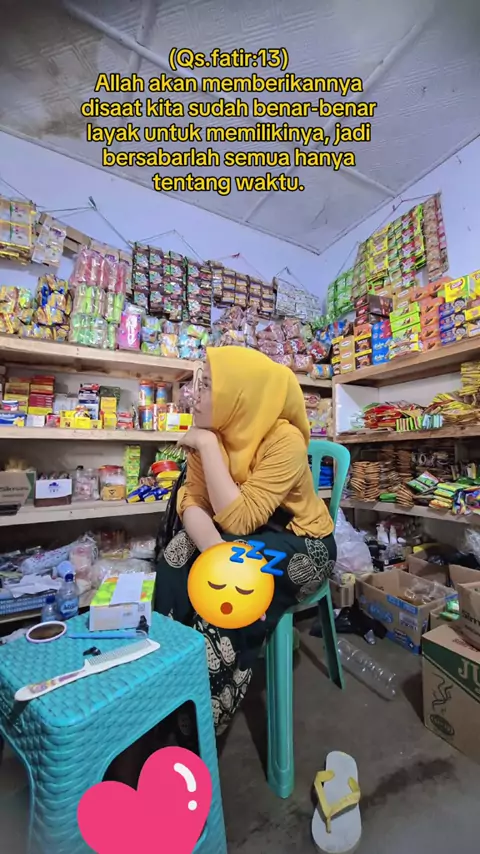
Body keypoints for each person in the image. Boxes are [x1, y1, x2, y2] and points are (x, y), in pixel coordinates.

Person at [154, 346, 336, 737]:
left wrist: (206, 446)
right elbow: (192, 501)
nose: (193, 394)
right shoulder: (214, 429)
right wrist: (215, 551)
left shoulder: (284, 438)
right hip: (243, 535)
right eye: (197, 382)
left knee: (229, 590)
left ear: (238, 396)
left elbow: (240, 518)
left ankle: (202, 717)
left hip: (301, 541)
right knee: (176, 554)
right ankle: (166, 673)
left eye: (206, 385)